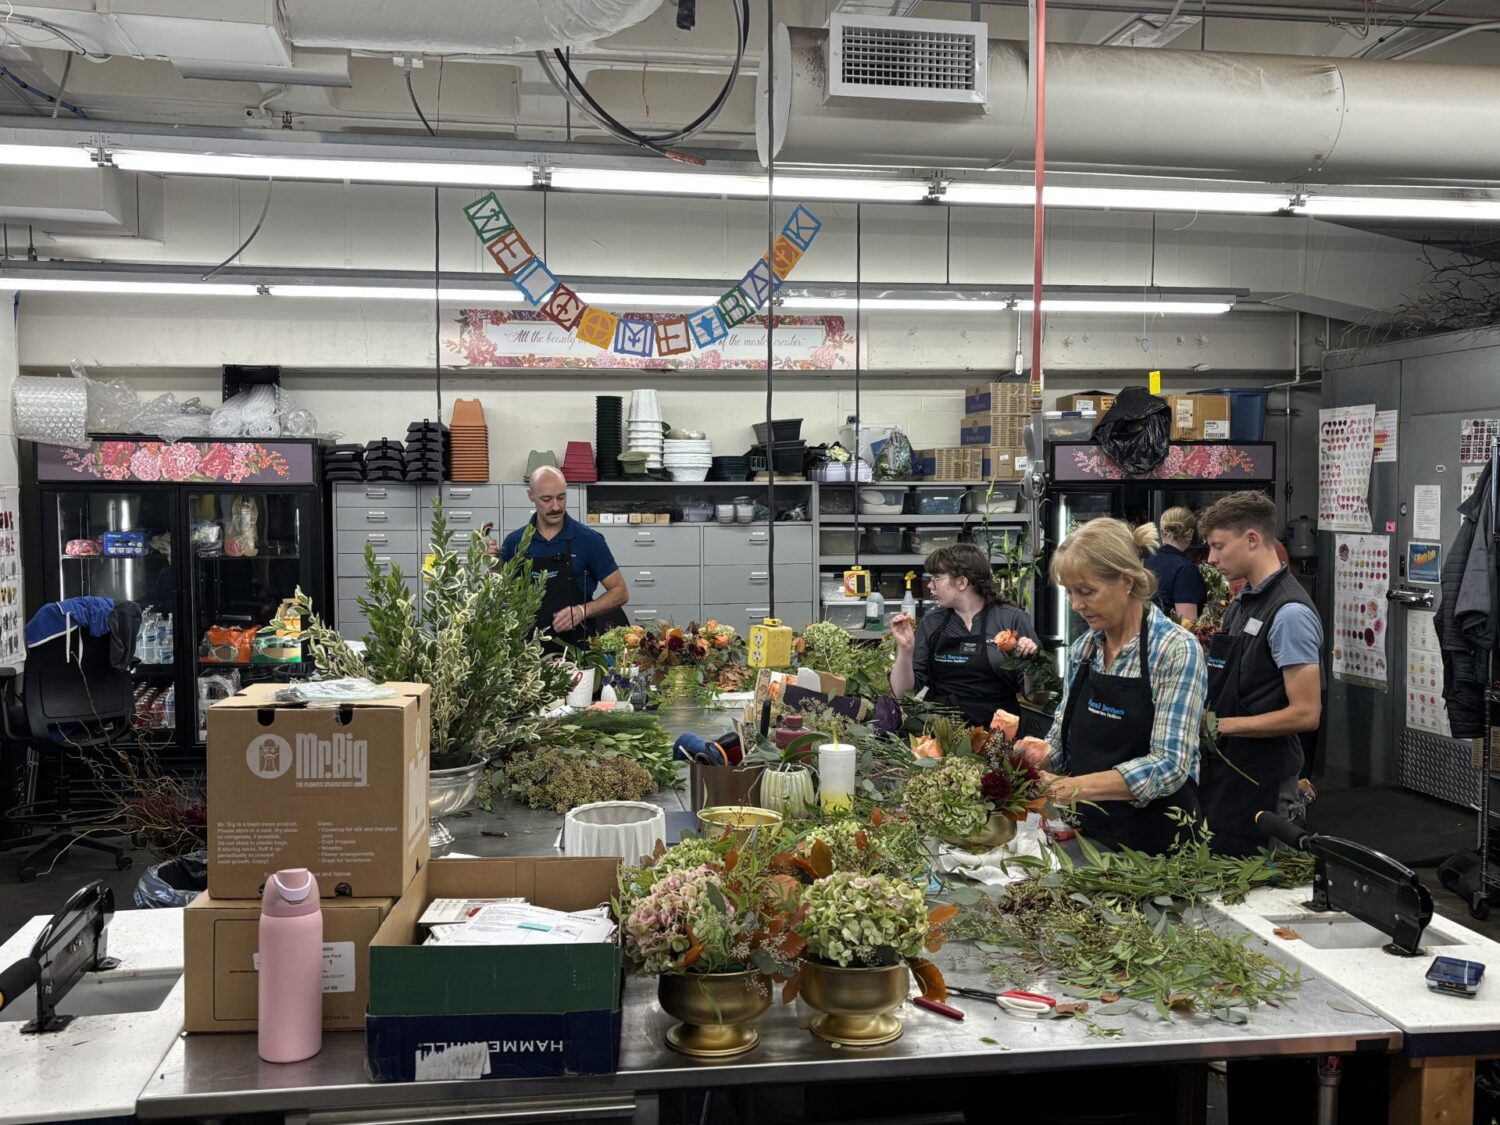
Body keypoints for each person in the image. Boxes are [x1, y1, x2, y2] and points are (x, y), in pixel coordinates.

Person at [1015, 519, 1206, 855]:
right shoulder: (1085, 650)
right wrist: (1035, 758)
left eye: (1087, 592)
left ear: (1127, 582)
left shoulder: (1175, 650)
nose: (1076, 605)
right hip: (1088, 836)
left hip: (1158, 848)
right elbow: (1063, 742)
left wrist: (1068, 788)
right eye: (1071, 593)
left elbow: (1169, 764)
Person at [1197, 491, 1322, 856]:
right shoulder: (1242, 601)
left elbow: (1306, 713)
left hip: (1266, 778)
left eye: (1219, 546)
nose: (1211, 558)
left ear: (1252, 539)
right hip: (1232, 769)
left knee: (1265, 877)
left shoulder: (1289, 614)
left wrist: (1221, 725)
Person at [889, 544, 1040, 728]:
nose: (929, 585)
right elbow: (903, 693)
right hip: (944, 736)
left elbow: (1037, 697)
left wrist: (1031, 662)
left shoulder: (1011, 619)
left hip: (1001, 736)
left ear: (962, 582)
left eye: (936, 577)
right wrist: (905, 651)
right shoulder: (932, 623)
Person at [492, 466, 629, 653]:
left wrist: (582, 611)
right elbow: (503, 598)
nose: (556, 506)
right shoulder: (515, 542)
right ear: (530, 495)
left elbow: (620, 592)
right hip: (526, 655)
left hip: (577, 653)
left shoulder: (589, 540)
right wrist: (493, 566)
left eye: (561, 497)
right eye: (546, 499)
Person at [1143, 506, 1208, 621]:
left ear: (1162, 533)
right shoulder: (1185, 570)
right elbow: (1187, 623)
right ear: (1191, 534)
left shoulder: (1144, 561)